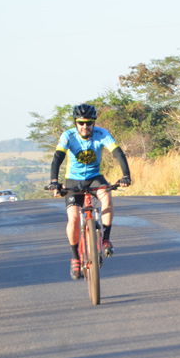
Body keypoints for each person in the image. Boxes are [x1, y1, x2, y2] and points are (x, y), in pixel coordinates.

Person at [49, 104, 131, 280]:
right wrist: (54, 182)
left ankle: (106, 239)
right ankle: (75, 257)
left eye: (89, 123)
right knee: (74, 218)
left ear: (94, 122)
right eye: (81, 123)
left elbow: (118, 153)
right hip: (73, 180)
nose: (85, 126)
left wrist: (126, 176)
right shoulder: (68, 136)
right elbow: (57, 158)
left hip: (95, 177)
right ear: (76, 123)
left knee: (106, 197)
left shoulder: (102, 134)